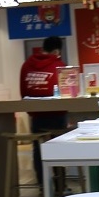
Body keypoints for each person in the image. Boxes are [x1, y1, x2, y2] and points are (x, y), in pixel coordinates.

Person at [19, 36, 68, 181]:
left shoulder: (26, 65)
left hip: (36, 117)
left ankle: (42, 184)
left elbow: (23, 92)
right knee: (58, 147)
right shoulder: (59, 66)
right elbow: (66, 92)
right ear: (57, 51)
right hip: (57, 115)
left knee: (39, 149)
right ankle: (60, 185)